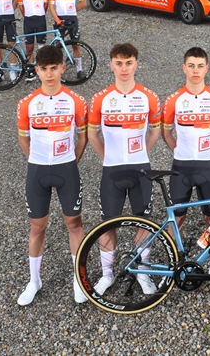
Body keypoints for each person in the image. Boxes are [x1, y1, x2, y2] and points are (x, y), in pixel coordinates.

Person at [15, 44, 90, 306]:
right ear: (36, 70)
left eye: (54, 68)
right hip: (37, 170)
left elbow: (82, 137)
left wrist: (70, 160)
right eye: (44, 69)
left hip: (66, 169)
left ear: (63, 68)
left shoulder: (76, 101)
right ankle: (34, 281)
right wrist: (36, 160)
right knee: (37, 227)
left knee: (75, 225)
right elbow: (23, 139)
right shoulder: (26, 103)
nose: (49, 74)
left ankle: (79, 279)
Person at [86, 43, 162, 295]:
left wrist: (142, 154)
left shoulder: (149, 97)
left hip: (140, 169)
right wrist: (108, 157)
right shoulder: (100, 98)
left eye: (128, 63)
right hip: (112, 170)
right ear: (111, 65)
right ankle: (107, 275)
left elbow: (155, 131)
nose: (124, 68)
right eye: (119, 63)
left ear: (136, 64)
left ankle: (142, 272)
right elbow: (92, 134)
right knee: (108, 225)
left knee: (143, 222)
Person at [161, 47, 210, 288]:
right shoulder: (174, 99)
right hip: (180, 168)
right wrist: (179, 151)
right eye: (191, 65)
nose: (195, 70)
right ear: (184, 68)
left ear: (207, 68)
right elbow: (166, 132)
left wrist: (209, 152)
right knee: (177, 219)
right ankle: (174, 265)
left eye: (200, 66)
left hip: (207, 167)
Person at [48, 0, 87, 77]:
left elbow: (83, 2)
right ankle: (58, 69)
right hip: (59, 18)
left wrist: (74, 10)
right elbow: (51, 6)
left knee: (75, 44)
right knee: (58, 45)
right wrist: (56, 19)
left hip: (72, 18)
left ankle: (79, 70)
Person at [17, 0, 50, 76]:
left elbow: (45, 4)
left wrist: (41, 13)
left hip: (40, 18)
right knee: (29, 47)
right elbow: (21, 6)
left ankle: (41, 68)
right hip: (28, 19)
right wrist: (26, 15)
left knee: (41, 46)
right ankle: (31, 69)